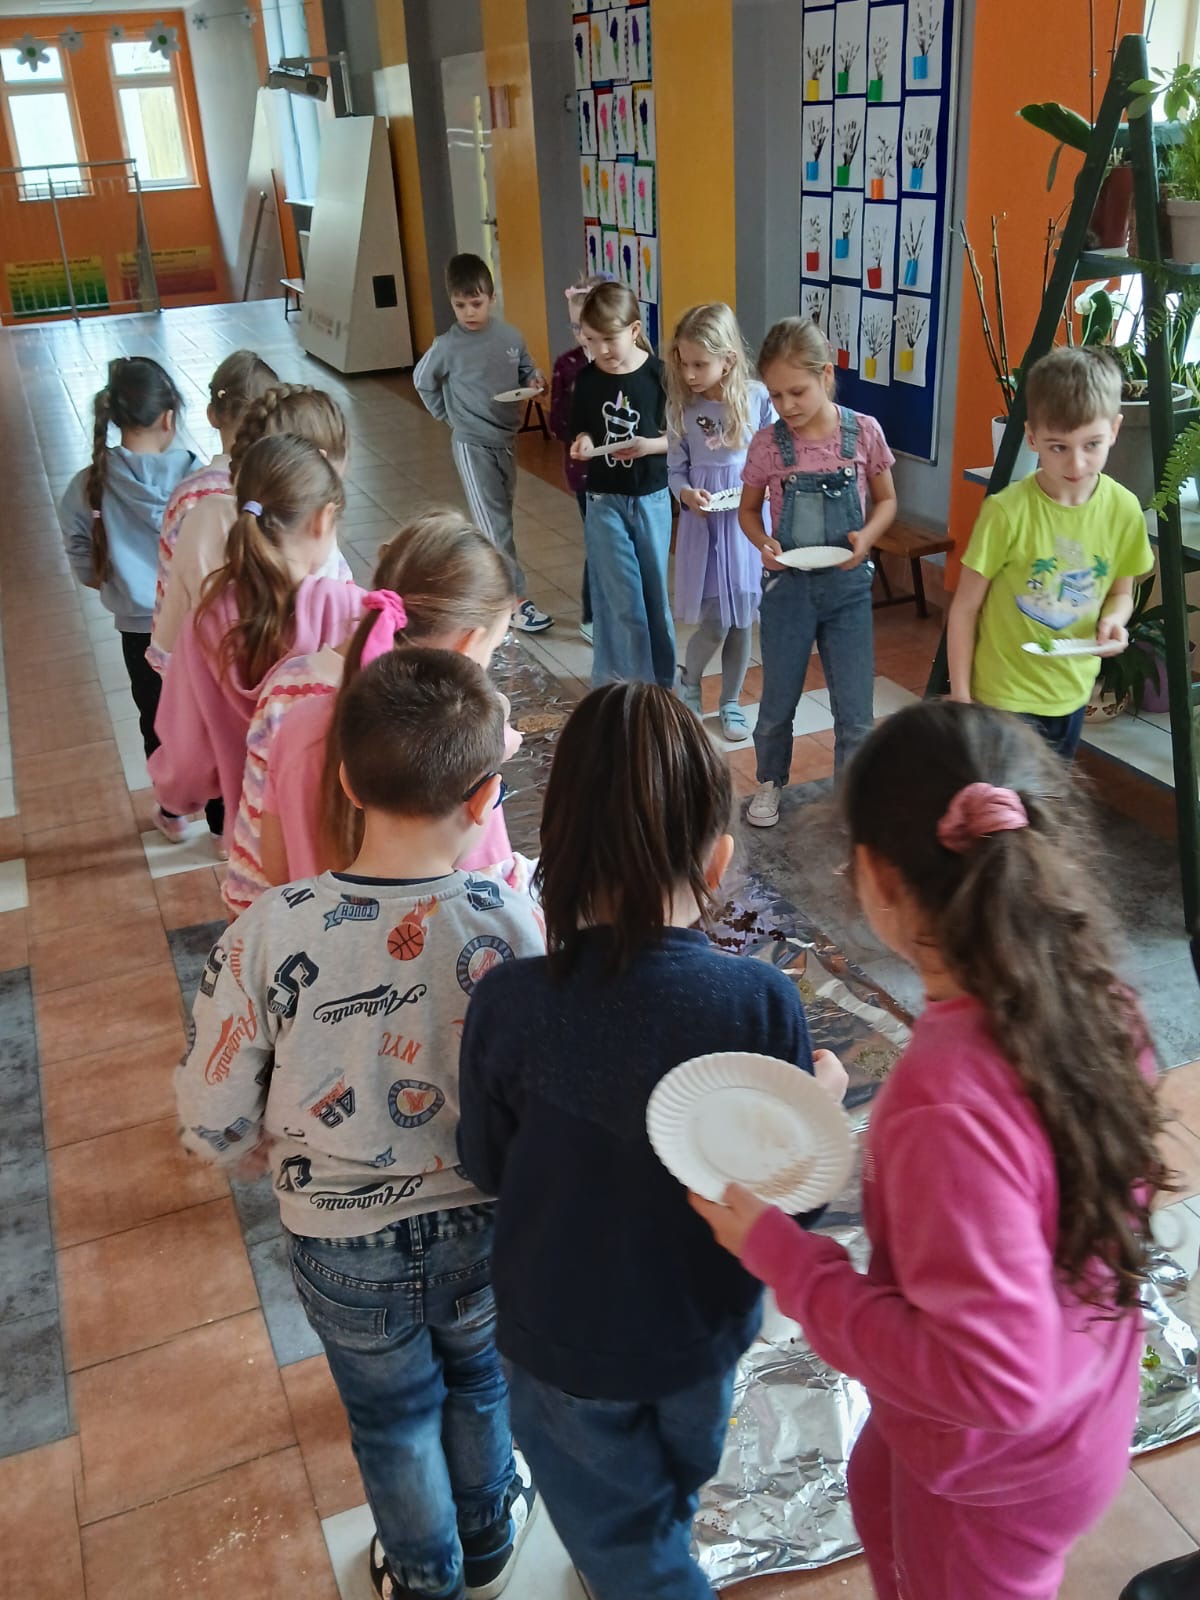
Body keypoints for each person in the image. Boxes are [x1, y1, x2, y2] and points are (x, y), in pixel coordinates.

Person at [693, 700, 1170, 1600]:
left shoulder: (943, 1103)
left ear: (875, 876)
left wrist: (788, 1259)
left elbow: (992, 1383)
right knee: (880, 1485)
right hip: (1081, 1407)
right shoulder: (1099, 999)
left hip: (997, 1470)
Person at [457, 681, 847, 1600]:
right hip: (703, 1336)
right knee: (669, 1495)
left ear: (554, 856)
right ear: (718, 860)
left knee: (627, 1542)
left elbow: (486, 1164)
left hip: (564, 1345)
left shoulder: (509, 1004)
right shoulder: (761, 1003)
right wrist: (819, 1107)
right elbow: (791, 1208)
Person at [175, 646, 545, 1600]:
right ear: (485, 799)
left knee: (390, 1421)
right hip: (484, 1222)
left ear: (345, 780)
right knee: (482, 1381)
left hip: (339, 1238)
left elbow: (212, 1102)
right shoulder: (510, 919)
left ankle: (424, 1577)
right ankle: (489, 1536)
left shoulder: (271, 927)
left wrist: (234, 1143)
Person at [228, 509, 522, 914]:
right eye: (494, 647)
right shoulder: (463, 753)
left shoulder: (297, 724)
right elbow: (490, 893)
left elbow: (275, 868)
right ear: (469, 643)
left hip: (316, 945)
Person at [149, 433, 363, 839]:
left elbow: (188, 762)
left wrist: (176, 800)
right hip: (350, 839)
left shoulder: (202, 626)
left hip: (257, 843)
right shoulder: (354, 614)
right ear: (323, 519)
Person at [948, 346, 1154, 759]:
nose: (1076, 464)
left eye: (1091, 444)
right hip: (1003, 697)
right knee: (1003, 800)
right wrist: (962, 698)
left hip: (1071, 695)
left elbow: (1120, 593)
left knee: (1050, 795)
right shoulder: (1006, 512)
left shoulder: (1125, 510)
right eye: (1058, 447)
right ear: (1032, 437)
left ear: (1115, 429)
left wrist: (1114, 621)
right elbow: (965, 608)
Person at [739, 317, 896, 828]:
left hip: (848, 589)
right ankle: (770, 781)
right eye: (776, 395)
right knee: (778, 699)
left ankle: (852, 795)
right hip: (787, 589)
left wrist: (867, 538)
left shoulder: (863, 433)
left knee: (855, 708)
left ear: (826, 375)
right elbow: (748, 510)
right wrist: (763, 543)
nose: (786, 405)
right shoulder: (768, 444)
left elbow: (887, 502)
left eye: (797, 391)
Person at [58, 355, 200, 842]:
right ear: (169, 418)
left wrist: (107, 582)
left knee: (156, 719)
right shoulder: (195, 476)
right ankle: (223, 825)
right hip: (199, 623)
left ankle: (173, 813)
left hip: (139, 629)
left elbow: (79, 549)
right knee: (209, 717)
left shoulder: (90, 483)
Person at [151, 383, 354, 672]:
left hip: (205, 690)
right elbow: (342, 655)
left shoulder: (201, 516)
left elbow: (165, 646)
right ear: (318, 462)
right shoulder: (318, 542)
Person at [413, 252, 552, 634]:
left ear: (492, 298)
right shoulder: (447, 345)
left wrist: (535, 381)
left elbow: (526, 368)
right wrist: (448, 416)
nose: (469, 312)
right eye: (460, 305)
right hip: (472, 443)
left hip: (505, 439)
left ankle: (481, 587)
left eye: (476, 303)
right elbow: (422, 380)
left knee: (500, 518)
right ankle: (513, 602)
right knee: (495, 526)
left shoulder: (510, 337)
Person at [666, 302, 775, 743]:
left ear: (727, 360)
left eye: (700, 364)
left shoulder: (758, 398)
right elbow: (675, 471)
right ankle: (690, 682)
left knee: (742, 619)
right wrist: (686, 494)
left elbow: (774, 457)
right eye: (684, 363)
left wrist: (771, 490)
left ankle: (731, 701)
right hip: (705, 527)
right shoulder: (683, 407)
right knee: (715, 622)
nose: (689, 373)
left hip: (746, 526)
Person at [569, 283, 674, 689]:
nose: (600, 350)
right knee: (623, 600)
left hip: (651, 498)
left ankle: (661, 685)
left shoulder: (659, 375)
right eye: (590, 341)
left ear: (634, 330)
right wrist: (583, 442)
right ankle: (628, 686)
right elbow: (581, 430)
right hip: (604, 500)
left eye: (609, 340)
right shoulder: (588, 379)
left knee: (654, 598)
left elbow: (681, 439)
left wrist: (649, 446)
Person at [151, 349, 279, 658]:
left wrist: (168, 663)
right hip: (275, 654)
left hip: (203, 655)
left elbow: (171, 583)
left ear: (212, 414)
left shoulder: (188, 495)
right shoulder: (287, 485)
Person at [550, 272, 611, 644]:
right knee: (598, 543)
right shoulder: (567, 365)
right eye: (575, 327)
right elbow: (557, 423)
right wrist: (583, 428)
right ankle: (591, 616)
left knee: (618, 543)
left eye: (588, 327)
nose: (582, 335)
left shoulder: (622, 362)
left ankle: (616, 609)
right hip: (586, 473)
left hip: (621, 470)